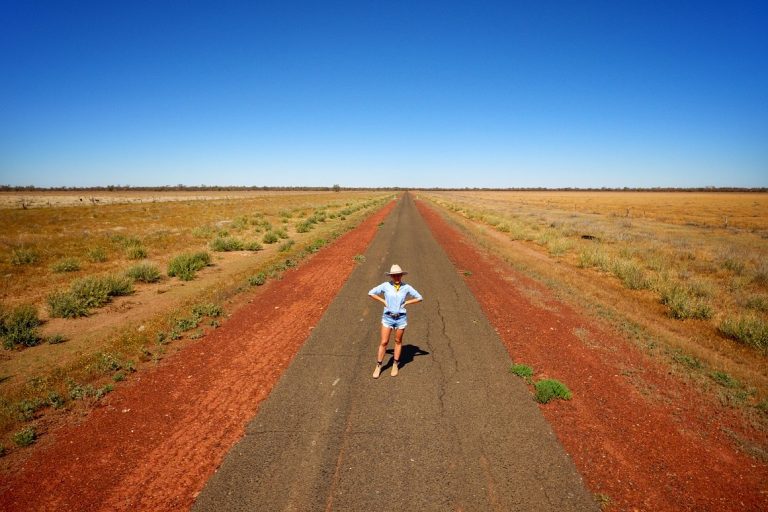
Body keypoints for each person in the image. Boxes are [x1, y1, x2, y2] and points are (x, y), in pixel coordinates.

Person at [368, 264, 423, 378]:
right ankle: (378, 366)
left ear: (401, 275)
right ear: (391, 276)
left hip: (401, 318)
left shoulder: (406, 287)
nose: (396, 277)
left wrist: (407, 302)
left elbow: (419, 297)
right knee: (384, 342)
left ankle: (395, 364)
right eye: (394, 276)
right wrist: (383, 301)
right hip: (387, 317)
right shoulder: (385, 286)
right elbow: (371, 293)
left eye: (398, 275)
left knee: (398, 341)